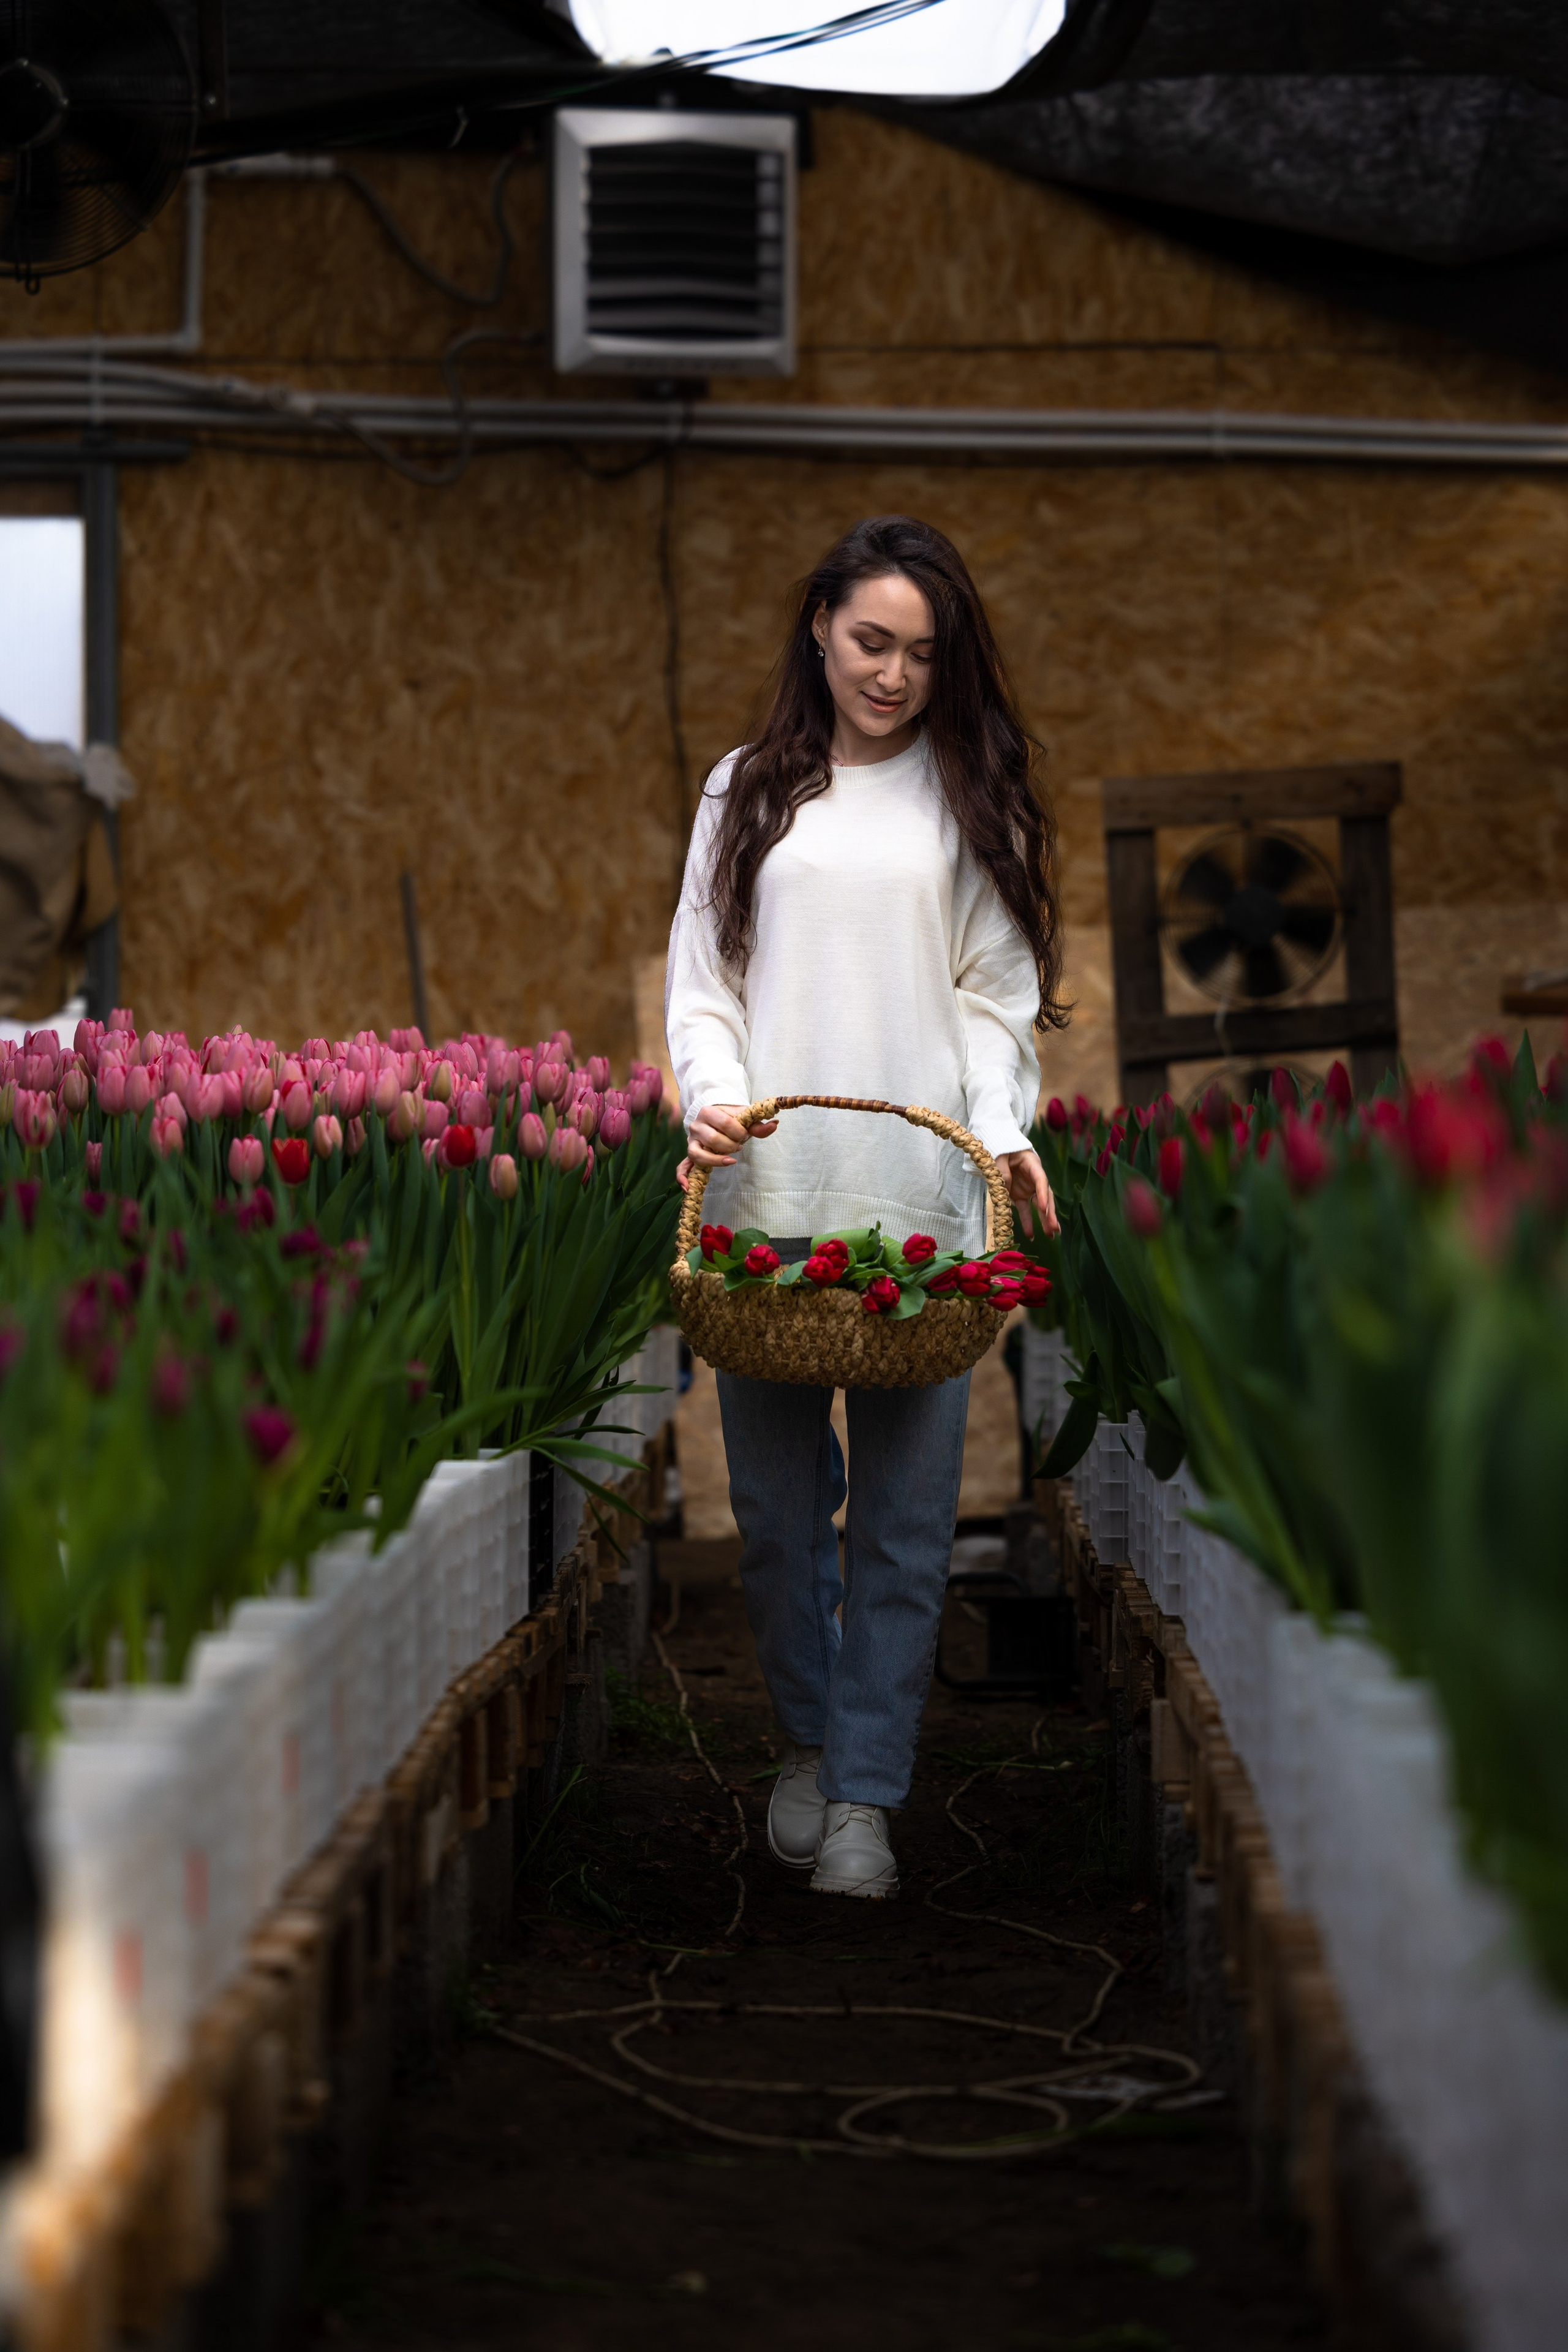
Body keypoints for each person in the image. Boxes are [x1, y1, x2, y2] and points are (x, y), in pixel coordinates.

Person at [665, 514, 1064, 1898]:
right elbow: (702, 990)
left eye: (919, 653)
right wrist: (707, 1097)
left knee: (903, 1520)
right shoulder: (744, 791)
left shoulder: (972, 800)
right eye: (868, 641)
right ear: (820, 630)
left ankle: (864, 1802)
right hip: (765, 1197)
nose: (891, 674)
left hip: (923, 1206)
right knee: (777, 1513)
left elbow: (994, 1004)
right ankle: (805, 1743)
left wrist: (1000, 1134)